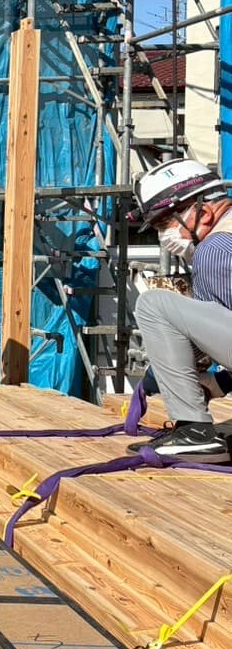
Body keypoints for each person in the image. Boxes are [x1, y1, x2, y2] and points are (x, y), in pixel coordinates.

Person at [127, 157, 232, 462]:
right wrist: (219, 383)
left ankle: (194, 433)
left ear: (205, 212)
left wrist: (171, 367)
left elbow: (214, 346)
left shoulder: (215, 250)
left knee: (153, 305)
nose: (164, 236)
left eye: (166, 223)